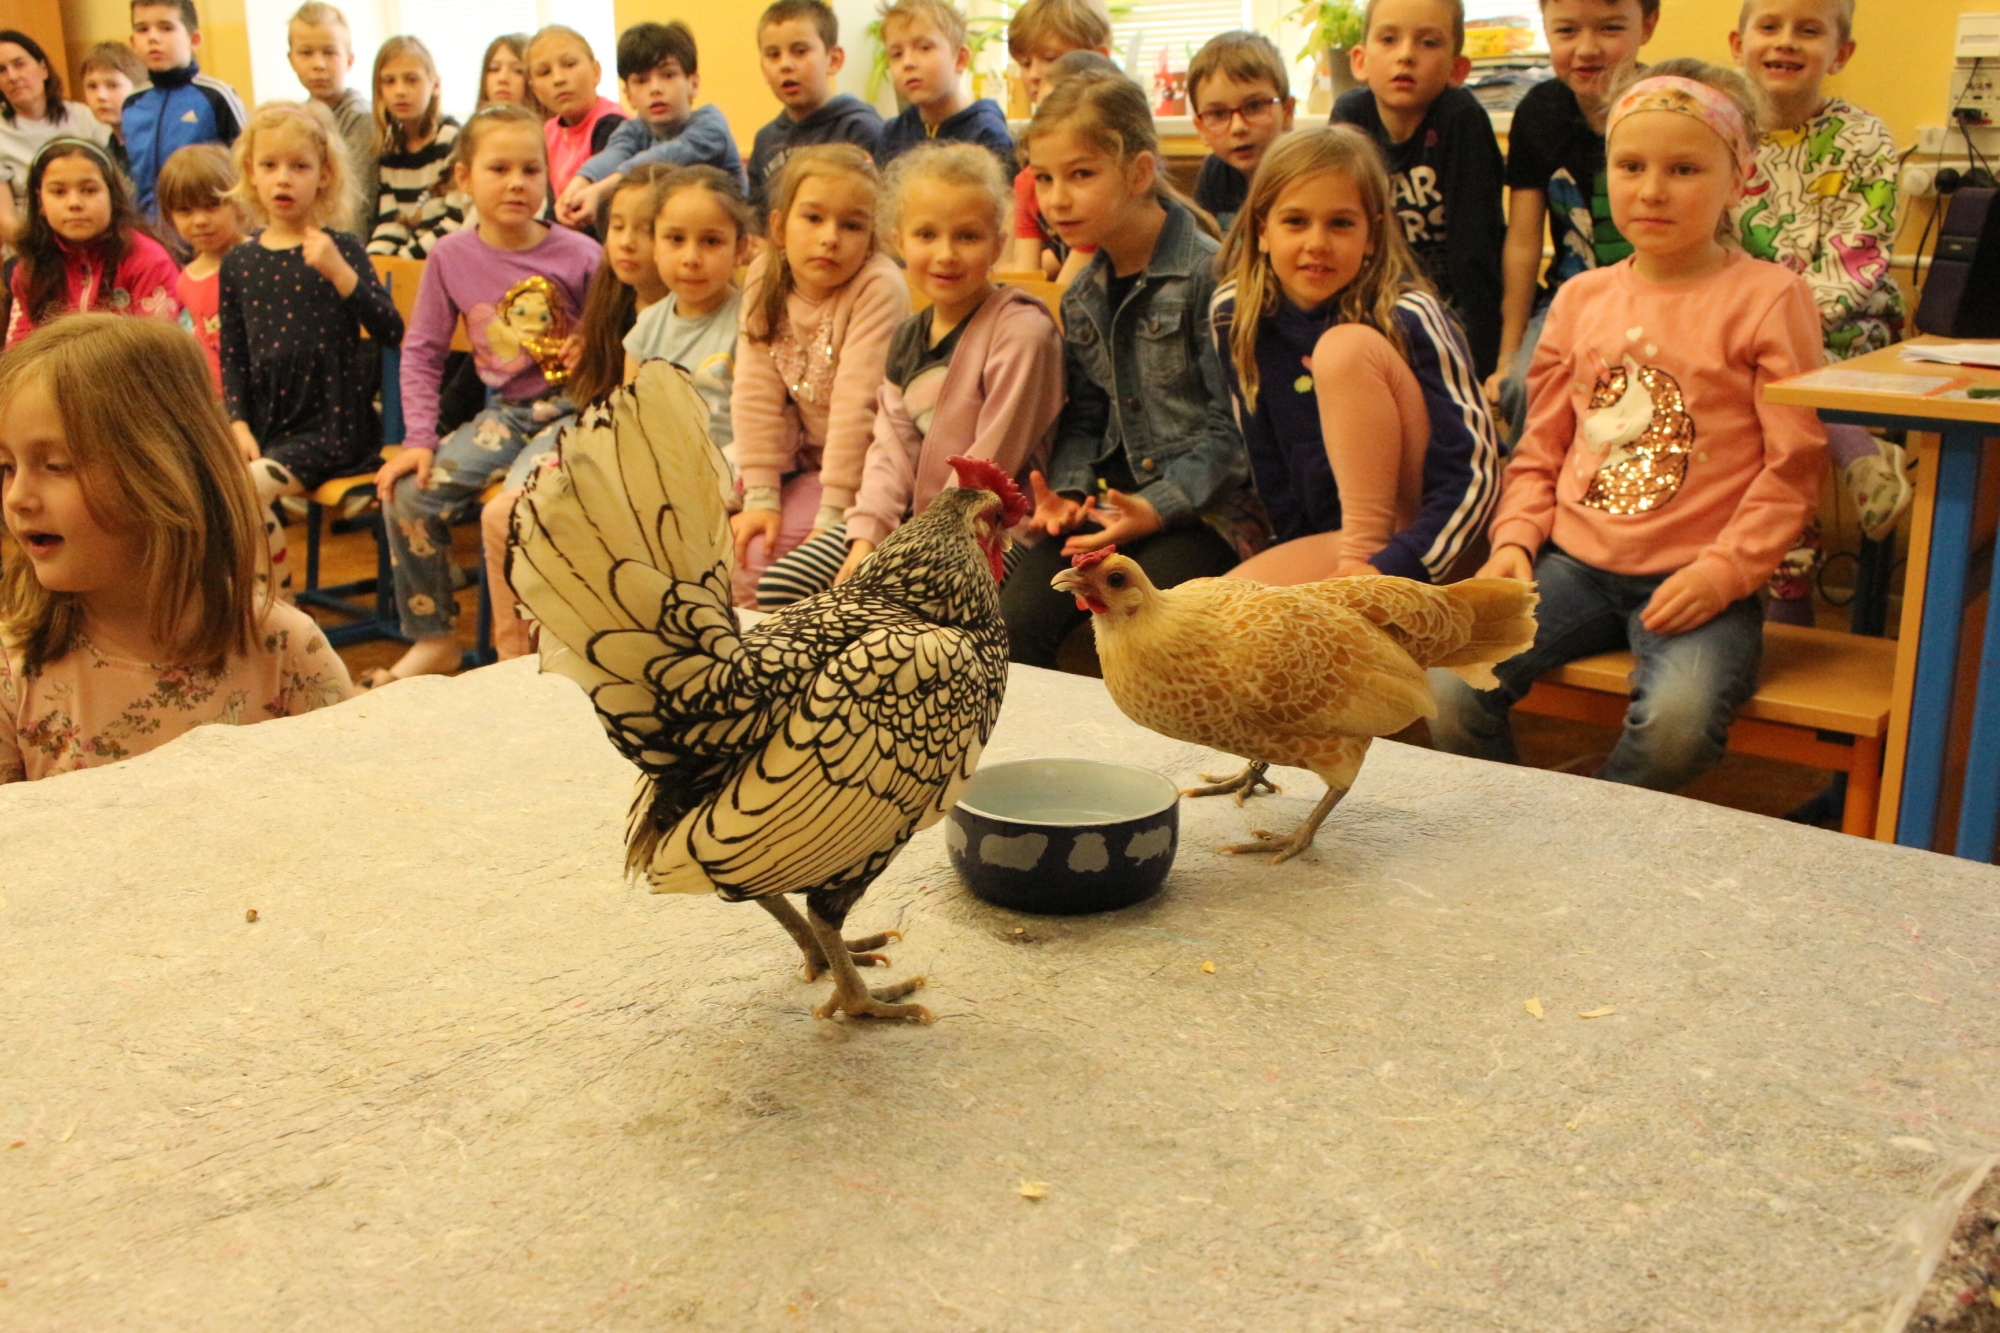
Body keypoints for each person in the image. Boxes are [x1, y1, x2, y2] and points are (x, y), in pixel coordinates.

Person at [1429, 61, 1827, 792]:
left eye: (1684, 169)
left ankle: (1587, 829)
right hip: (1574, 565)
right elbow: (1540, 446)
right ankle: (1517, 827)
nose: (1651, 190)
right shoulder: (1579, 298)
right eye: (1631, 166)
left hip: (1700, 574)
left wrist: (1725, 572)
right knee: (1451, 684)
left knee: (1676, 726)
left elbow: (1795, 464)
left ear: (1738, 180)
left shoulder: (1770, 298)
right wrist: (1513, 540)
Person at [0, 315, 354, 784]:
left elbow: (347, 803)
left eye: (56, 465)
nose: (17, 498)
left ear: (163, 474)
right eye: (6, 466)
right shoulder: (13, 672)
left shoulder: (286, 653)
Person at [1003, 69, 1260, 668]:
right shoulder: (1081, 294)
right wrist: (1069, 491)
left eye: (1080, 174)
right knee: (1015, 624)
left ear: (1140, 172)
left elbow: (1236, 435)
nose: (1056, 199)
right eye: (1044, 178)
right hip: (1113, 506)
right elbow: (1087, 416)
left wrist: (1158, 506)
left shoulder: (1211, 274)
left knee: (1147, 640)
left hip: (1206, 512)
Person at [760, 142, 1062, 607]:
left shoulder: (1022, 332)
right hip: (913, 521)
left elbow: (991, 464)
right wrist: (865, 539)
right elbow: (891, 451)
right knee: (785, 587)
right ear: (899, 241)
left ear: (998, 244)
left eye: (967, 236)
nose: (946, 254)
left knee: (893, 610)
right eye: (926, 234)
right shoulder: (907, 337)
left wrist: (912, 550)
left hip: (993, 535)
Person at [370, 103, 600, 684]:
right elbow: (422, 352)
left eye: (530, 169)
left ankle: (526, 655)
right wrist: (418, 440)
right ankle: (434, 640)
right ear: (463, 177)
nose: (517, 182)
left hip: (574, 416)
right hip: (506, 416)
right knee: (409, 495)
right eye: (499, 169)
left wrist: (593, 346)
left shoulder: (582, 254)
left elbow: (621, 342)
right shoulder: (450, 256)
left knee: (518, 510)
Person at [1212, 126, 1499, 586]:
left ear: (1372, 235)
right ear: (1262, 230)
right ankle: (1352, 583)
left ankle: (1364, 584)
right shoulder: (1236, 313)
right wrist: (1303, 573)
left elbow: (1475, 471)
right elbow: (1268, 465)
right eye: (1295, 221)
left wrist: (1393, 564)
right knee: (1214, 613)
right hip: (1339, 544)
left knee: (1344, 350)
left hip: (1438, 544)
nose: (1317, 243)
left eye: (1341, 224)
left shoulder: (1411, 314)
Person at [1731, 0, 1910, 626]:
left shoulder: (1864, 139)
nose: (1786, 42)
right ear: (1738, 44)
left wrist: (1777, 330)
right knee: (1755, 396)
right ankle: (1857, 453)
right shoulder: (1722, 134)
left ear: (1841, 53)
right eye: (1770, 26)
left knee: (1776, 387)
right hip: (1746, 336)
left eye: (1809, 30)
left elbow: (1859, 254)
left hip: (1849, 328)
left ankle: (1788, 605)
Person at [481, 167, 670, 659]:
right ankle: (514, 663)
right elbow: (595, 404)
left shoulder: (684, 316)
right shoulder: (612, 302)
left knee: (529, 518)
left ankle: (567, 659)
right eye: (618, 226)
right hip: (593, 439)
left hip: (640, 470)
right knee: (504, 516)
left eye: (647, 229)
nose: (626, 242)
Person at [219, 102, 403, 592]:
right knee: (214, 491)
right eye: (270, 165)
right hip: (267, 428)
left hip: (334, 431)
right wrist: (237, 423)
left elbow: (391, 329)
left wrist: (340, 274)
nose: (284, 178)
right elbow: (233, 355)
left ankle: (279, 613)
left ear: (324, 175)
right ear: (250, 173)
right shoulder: (239, 262)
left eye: (299, 166)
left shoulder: (340, 248)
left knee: (240, 493)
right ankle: (265, 603)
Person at [731, 144, 908, 607]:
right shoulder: (765, 274)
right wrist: (761, 495)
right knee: (697, 536)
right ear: (779, 226)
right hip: (799, 462)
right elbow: (755, 391)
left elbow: (858, 407)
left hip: (864, 479)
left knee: (751, 562)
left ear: (873, 238)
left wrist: (832, 517)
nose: (830, 238)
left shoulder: (877, 286)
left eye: (852, 225)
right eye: (813, 218)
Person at [1484, 0, 1656, 439]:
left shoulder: (1666, 105)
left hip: (1661, 296)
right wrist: (1508, 356)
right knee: (1522, 387)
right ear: (1544, 28)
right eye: (1566, 31)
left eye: (1610, 29)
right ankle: (1541, 482)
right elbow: (1523, 244)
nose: (1587, 49)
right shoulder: (1538, 113)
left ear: (1648, 25)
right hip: (1571, 301)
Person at [1331, 0, 1505, 380]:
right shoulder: (1351, 117)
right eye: (1388, 39)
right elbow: (1338, 230)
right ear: (1360, 60)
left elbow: (1476, 253)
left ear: (1457, 70)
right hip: (1373, 302)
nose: (1406, 55)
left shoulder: (1461, 119)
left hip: (1451, 307)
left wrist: (1480, 365)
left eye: (1428, 43)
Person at [626, 164, 753, 473]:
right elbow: (628, 417)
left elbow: (765, 425)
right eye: (675, 239)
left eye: (711, 241)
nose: (691, 258)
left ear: (740, 248)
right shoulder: (647, 327)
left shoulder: (751, 321)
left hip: (730, 469)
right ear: (654, 244)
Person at [555, 22, 744, 227]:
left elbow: (661, 160)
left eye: (668, 75)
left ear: (693, 84)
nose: (655, 89)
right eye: (641, 80)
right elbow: (614, 154)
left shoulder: (711, 125)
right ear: (629, 95)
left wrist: (600, 191)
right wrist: (579, 183)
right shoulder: (633, 129)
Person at [3, 139, 179, 348]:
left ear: (112, 195)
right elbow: (19, 349)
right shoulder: (30, 268)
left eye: (89, 190)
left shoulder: (149, 261)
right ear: (40, 201)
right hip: (51, 369)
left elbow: (158, 348)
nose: (74, 203)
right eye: (59, 192)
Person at [1006, 0, 1113, 278]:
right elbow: (1026, 276)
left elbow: (1069, 290)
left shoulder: (1104, 173)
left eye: (1051, 58)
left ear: (1098, 58)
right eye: (1025, 63)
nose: (1033, 75)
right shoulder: (1028, 181)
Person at [747, 0, 885, 212]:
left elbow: (880, 209)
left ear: (834, 60)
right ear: (763, 69)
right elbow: (757, 218)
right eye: (774, 55)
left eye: (800, 51)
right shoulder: (765, 140)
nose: (785, 65)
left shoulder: (861, 129)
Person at [124, 0, 247, 218]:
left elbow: (245, 166)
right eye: (143, 29)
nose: (153, 38)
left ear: (194, 39)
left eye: (166, 28)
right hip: (146, 227)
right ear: (133, 42)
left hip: (202, 225)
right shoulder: (132, 103)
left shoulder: (216, 96)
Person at [873, 0, 1016, 170]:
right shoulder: (892, 134)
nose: (908, 62)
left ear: (960, 59)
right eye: (897, 54)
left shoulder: (987, 135)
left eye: (924, 48)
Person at [0, 30, 114, 241]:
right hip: (31, 243)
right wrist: (44, 251)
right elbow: (5, 220)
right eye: (2, 70)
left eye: (19, 64)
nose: (13, 76)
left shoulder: (85, 117)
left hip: (94, 236)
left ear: (43, 68)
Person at [365, 36, 467, 259]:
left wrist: (404, 261)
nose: (400, 91)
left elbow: (457, 222)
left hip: (446, 257)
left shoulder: (452, 140)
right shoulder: (390, 149)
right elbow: (391, 223)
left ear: (435, 85)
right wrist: (373, 262)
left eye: (411, 80)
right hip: (410, 259)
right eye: (389, 81)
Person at [158, 143, 247, 390]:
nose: (200, 220)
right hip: (218, 395)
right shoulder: (187, 280)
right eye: (185, 210)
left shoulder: (258, 259)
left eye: (212, 205)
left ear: (239, 201)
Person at [1186, 31, 1294, 233]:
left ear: (1287, 112)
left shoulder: (1307, 171)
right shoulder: (1215, 173)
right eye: (1218, 114)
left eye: (1255, 107)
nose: (1238, 127)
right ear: (1201, 128)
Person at [287, 3, 375, 235]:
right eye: (306, 53)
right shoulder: (295, 121)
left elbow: (356, 203)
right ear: (291, 60)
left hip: (346, 242)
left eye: (329, 52)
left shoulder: (360, 117)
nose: (319, 64)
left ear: (349, 60)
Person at [527, 26, 627, 201]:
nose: (558, 79)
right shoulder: (547, 132)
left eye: (569, 65)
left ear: (596, 71)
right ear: (534, 88)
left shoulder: (613, 124)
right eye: (545, 72)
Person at [77, 41, 147, 174]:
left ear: (139, 88)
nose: (101, 96)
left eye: (112, 85)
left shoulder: (153, 145)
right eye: (92, 86)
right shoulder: (109, 150)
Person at [475, 34, 541, 115]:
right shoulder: (474, 123)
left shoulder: (549, 123)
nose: (503, 78)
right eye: (494, 69)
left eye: (518, 70)